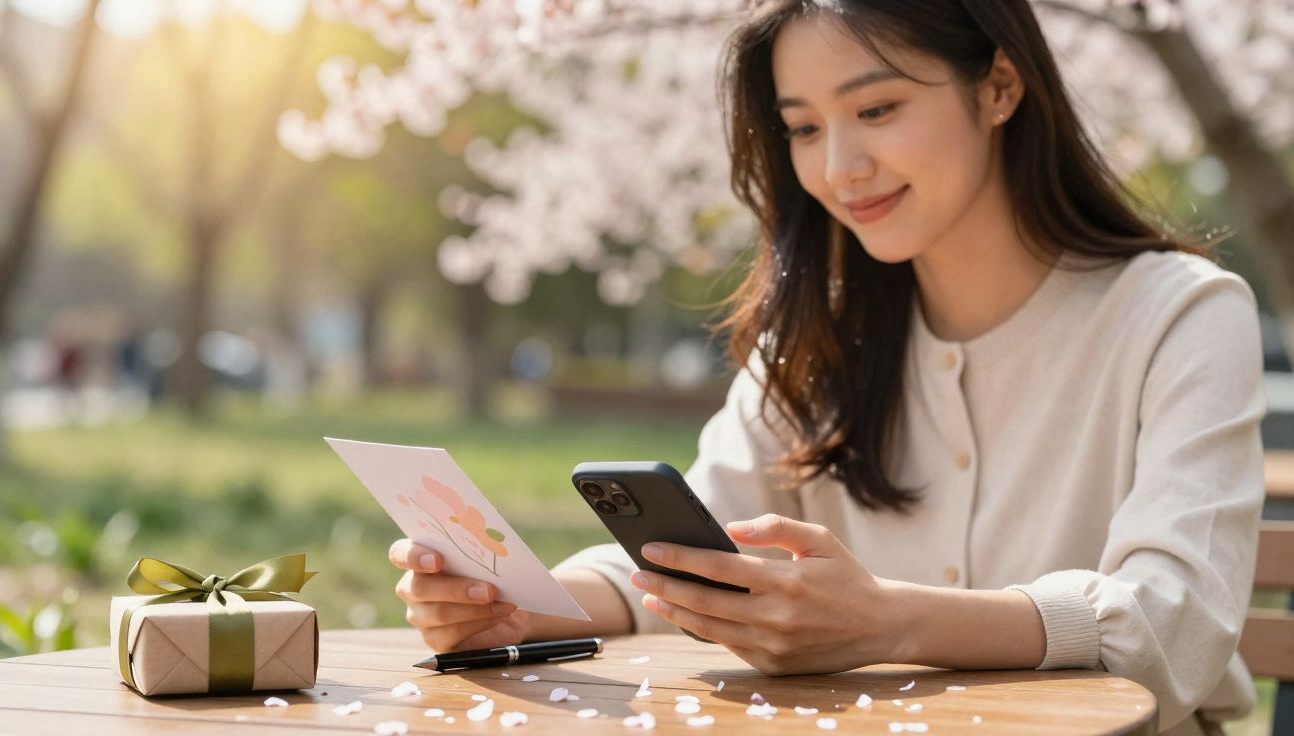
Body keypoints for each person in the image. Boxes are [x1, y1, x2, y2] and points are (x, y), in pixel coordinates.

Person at [390, 2, 1263, 733]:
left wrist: (889, 619)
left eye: (877, 109)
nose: (840, 169)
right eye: (804, 128)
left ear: (998, 86)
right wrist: (520, 604)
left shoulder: (1181, 314)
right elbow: (694, 547)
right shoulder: (816, 339)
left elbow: (1173, 623)